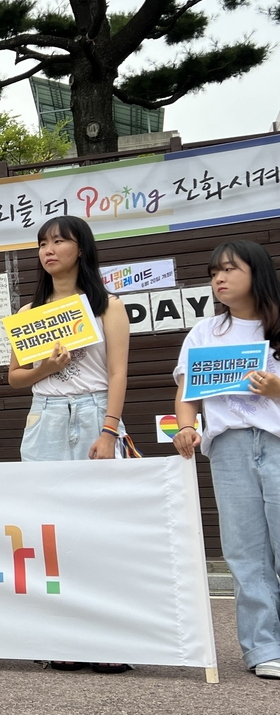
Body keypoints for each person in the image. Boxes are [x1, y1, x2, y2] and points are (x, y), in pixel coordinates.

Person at [8, 216, 131, 675]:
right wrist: (46, 365)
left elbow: (118, 372)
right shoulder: (27, 314)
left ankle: (111, 638)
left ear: (82, 248)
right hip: (45, 413)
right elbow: (16, 377)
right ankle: (62, 636)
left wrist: (109, 429)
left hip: (95, 411)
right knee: (49, 528)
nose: (49, 249)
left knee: (101, 526)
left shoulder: (106, 305)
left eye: (60, 240)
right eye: (43, 242)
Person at [173, 240, 280, 680]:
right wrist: (185, 426)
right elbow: (187, 394)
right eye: (215, 271)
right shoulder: (203, 333)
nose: (219, 278)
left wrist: (275, 390)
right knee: (245, 551)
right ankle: (263, 649)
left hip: (276, 442)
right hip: (229, 448)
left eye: (230, 270)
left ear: (256, 272)